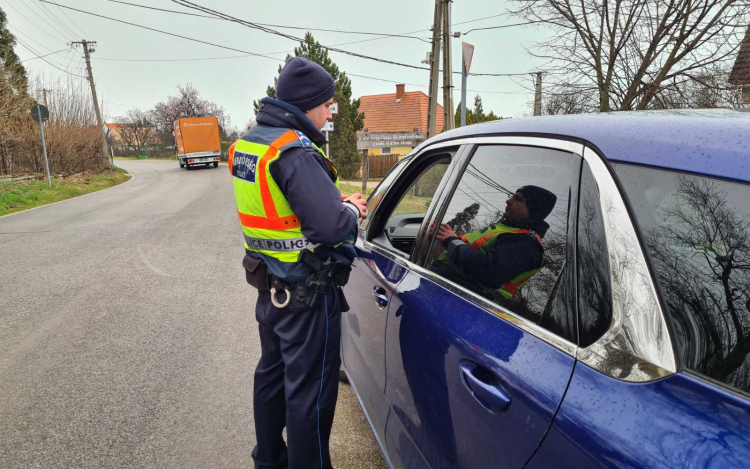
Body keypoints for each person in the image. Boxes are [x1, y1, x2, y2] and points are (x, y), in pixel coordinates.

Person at [229, 57, 367, 469]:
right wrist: (352, 211)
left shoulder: (250, 144)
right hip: (307, 295)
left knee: (271, 377)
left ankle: (269, 459)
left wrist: (328, 203)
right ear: (307, 104)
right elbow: (330, 230)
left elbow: (280, 208)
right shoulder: (295, 151)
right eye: (326, 105)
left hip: (270, 288)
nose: (329, 113)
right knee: (311, 394)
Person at [431, 185, 557, 300]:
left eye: (518, 199)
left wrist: (451, 241)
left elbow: (487, 270)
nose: (508, 201)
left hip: (460, 302)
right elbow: (471, 250)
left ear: (533, 209)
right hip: (446, 290)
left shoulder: (526, 244)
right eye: (512, 196)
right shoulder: (508, 230)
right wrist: (445, 237)